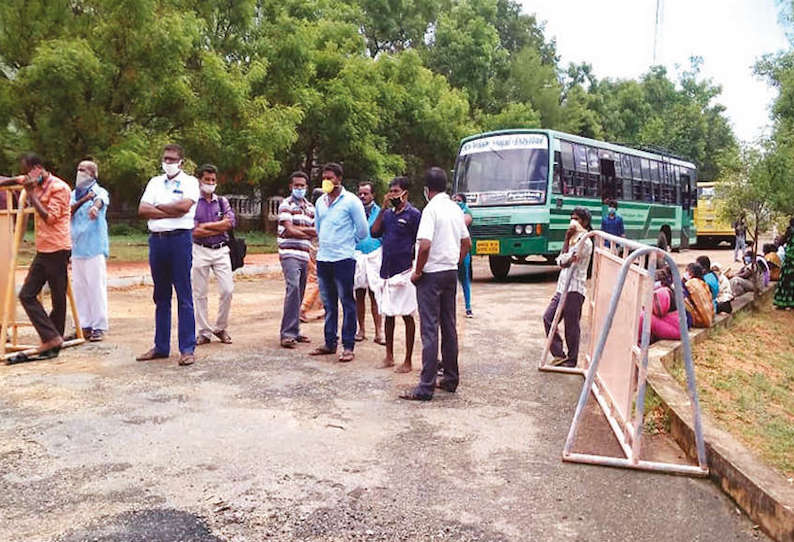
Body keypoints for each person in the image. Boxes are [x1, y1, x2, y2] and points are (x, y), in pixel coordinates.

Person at [399, 167, 470, 401]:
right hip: (449, 272)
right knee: (449, 327)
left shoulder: (431, 210)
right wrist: (454, 262)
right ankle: (450, 378)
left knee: (429, 329)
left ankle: (425, 386)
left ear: (427, 190)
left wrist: (418, 271)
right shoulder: (454, 208)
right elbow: (466, 242)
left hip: (431, 275)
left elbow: (425, 245)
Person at [136, 144, 200, 366]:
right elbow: (142, 210)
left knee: (184, 294)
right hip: (158, 242)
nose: (168, 162)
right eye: (166, 159)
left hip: (179, 240)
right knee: (161, 296)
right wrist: (169, 210)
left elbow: (184, 207)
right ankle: (161, 346)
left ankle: (187, 348)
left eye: (173, 159)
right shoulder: (155, 182)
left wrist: (159, 209)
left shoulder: (190, 182)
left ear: (181, 161)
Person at [310, 163, 369, 362]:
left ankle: (348, 346)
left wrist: (347, 242)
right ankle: (329, 342)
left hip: (344, 259)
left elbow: (362, 231)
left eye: (331, 177)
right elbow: (318, 228)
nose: (327, 181)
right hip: (324, 258)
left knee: (347, 302)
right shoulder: (320, 202)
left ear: (339, 179)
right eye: (324, 177)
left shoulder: (351, 201)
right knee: (328, 303)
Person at [16, 153, 71, 358]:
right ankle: (51, 337)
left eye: (27, 171)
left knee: (58, 297)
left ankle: (54, 342)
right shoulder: (33, 180)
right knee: (26, 294)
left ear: (38, 168)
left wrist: (30, 194)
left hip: (57, 248)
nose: (26, 177)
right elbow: (12, 180)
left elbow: (49, 218)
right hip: (43, 248)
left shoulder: (59, 188)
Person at [371, 176, 421, 373]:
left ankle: (408, 360)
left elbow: (420, 241)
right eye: (390, 191)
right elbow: (374, 232)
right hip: (387, 271)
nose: (392, 195)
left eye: (395, 191)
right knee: (388, 313)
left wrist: (417, 268)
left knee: (407, 315)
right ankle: (389, 356)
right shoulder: (389, 215)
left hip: (405, 271)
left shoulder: (414, 214)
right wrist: (383, 209)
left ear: (405, 193)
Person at [542, 207, 594, 368]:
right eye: (572, 218)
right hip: (562, 287)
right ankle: (559, 354)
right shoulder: (572, 239)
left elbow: (566, 261)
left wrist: (563, 259)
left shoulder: (586, 242)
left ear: (584, 222)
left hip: (575, 289)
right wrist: (566, 239)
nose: (573, 222)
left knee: (571, 325)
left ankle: (571, 360)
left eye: (577, 219)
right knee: (548, 317)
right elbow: (560, 259)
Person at [192, 164, 236, 346]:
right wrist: (218, 225)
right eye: (206, 180)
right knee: (200, 293)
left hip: (221, 250)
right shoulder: (193, 202)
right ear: (199, 181)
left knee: (227, 290)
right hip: (200, 250)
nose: (210, 183)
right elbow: (194, 231)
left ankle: (220, 327)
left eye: (213, 180)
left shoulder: (222, 202)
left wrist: (206, 227)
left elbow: (230, 222)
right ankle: (203, 332)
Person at [69, 160, 110, 342]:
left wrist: (94, 206)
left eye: (84, 170)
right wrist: (85, 200)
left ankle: (99, 326)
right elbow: (68, 211)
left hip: (94, 247)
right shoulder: (73, 194)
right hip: (77, 247)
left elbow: (100, 201)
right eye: (78, 169)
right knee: (79, 288)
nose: (80, 173)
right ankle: (83, 324)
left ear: (93, 174)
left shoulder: (99, 191)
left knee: (95, 287)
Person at [277, 171, 316, 348]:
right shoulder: (285, 204)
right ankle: (287, 334)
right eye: (296, 185)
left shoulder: (310, 208)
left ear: (306, 187)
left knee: (299, 291)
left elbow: (316, 231)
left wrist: (300, 231)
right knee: (292, 288)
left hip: (304, 254)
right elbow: (289, 230)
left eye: (302, 186)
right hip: (289, 253)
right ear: (291, 186)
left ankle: (295, 330)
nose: (299, 188)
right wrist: (305, 232)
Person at [354, 181, 384, 343]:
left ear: (373, 195)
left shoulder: (381, 212)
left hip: (375, 257)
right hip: (357, 256)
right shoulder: (354, 211)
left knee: (375, 295)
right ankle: (361, 330)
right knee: (359, 295)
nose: (363, 196)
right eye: (360, 193)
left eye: (366, 193)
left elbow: (384, 236)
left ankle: (379, 332)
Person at [452, 193, 474, 318]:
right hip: (452, 251)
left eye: (459, 200)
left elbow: (463, 222)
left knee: (465, 279)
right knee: (452, 281)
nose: (456, 202)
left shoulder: (467, 212)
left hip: (463, 252)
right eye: (454, 200)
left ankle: (468, 307)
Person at [682, 262, 714, 328]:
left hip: (700, 320)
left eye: (687, 271)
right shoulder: (703, 283)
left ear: (691, 273)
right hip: (709, 317)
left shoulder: (691, 283)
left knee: (681, 297)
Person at [773, 218, 794, 310]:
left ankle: (783, 303)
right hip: (791, 259)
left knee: (786, 281)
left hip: (789, 260)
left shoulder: (789, 231)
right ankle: (790, 303)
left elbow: (781, 242)